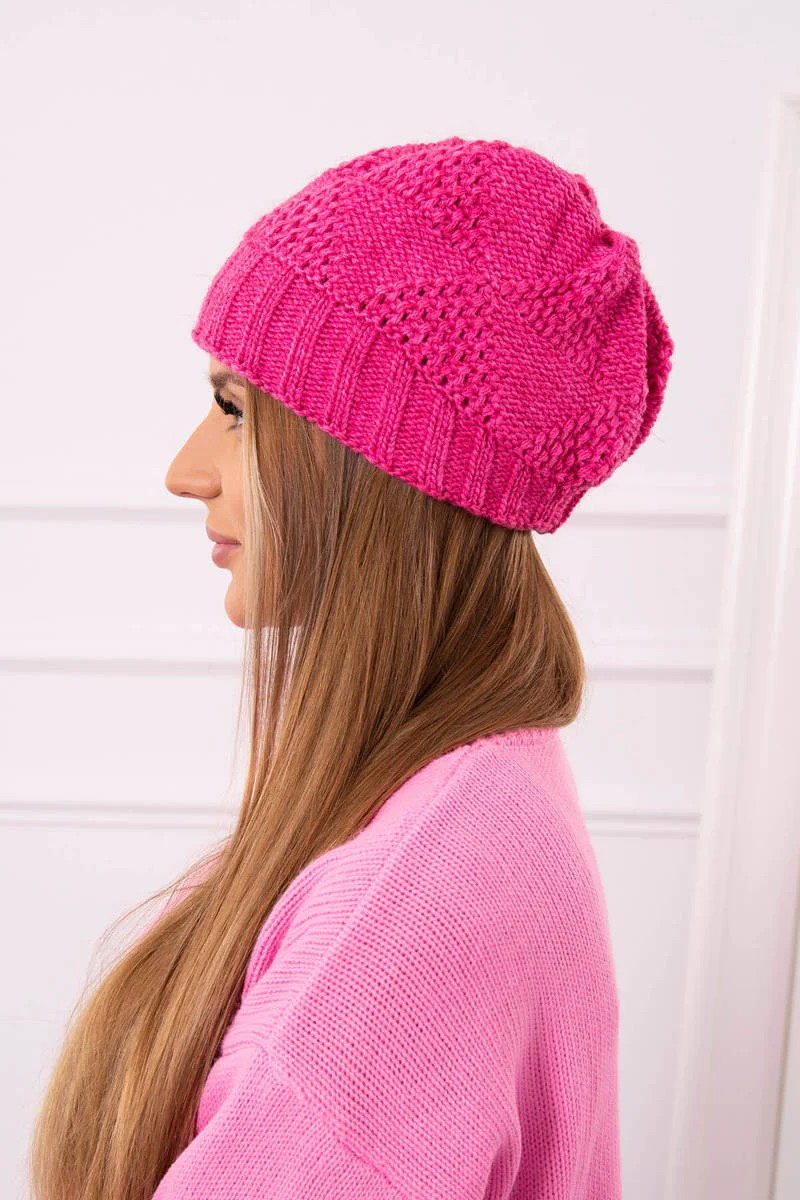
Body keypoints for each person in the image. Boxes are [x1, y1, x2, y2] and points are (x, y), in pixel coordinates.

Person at [28, 135, 674, 1200]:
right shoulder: (478, 796)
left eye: (236, 411)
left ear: (375, 464)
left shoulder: (415, 898)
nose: (185, 471)